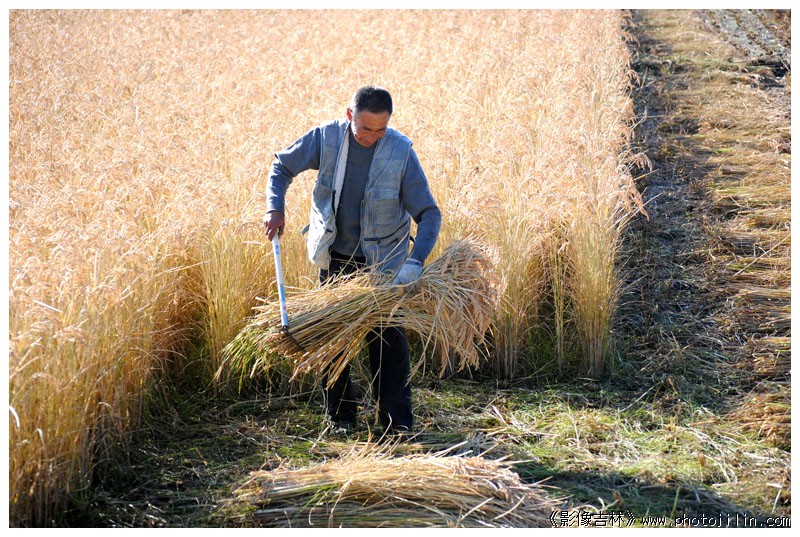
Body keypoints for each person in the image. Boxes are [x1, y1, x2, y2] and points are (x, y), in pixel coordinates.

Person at [263, 85, 442, 437]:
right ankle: (341, 420)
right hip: (336, 260)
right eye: (365, 129)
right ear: (349, 116)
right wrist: (275, 207)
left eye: (380, 130)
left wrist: (414, 262)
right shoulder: (326, 138)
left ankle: (396, 424)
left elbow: (429, 214)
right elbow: (281, 165)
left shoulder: (401, 152)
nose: (372, 137)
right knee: (332, 343)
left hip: (383, 268)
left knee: (389, 345)